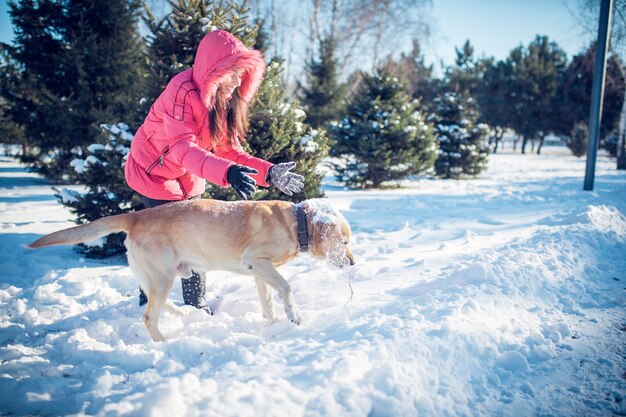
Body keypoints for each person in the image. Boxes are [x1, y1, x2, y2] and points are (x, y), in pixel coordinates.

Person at [124, 30, 304, 314]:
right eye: (231, 73)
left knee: (194, 236)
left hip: (187, 175)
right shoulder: (181, 92)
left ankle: (196, 302)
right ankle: (147, 302)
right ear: (213, 70)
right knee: (162, 238)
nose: (236, 80)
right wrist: (228, 173)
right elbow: (183, 147)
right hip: (154, 172)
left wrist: (269, 174)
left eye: (240, 73)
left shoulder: (224, 101)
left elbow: (230, 151)